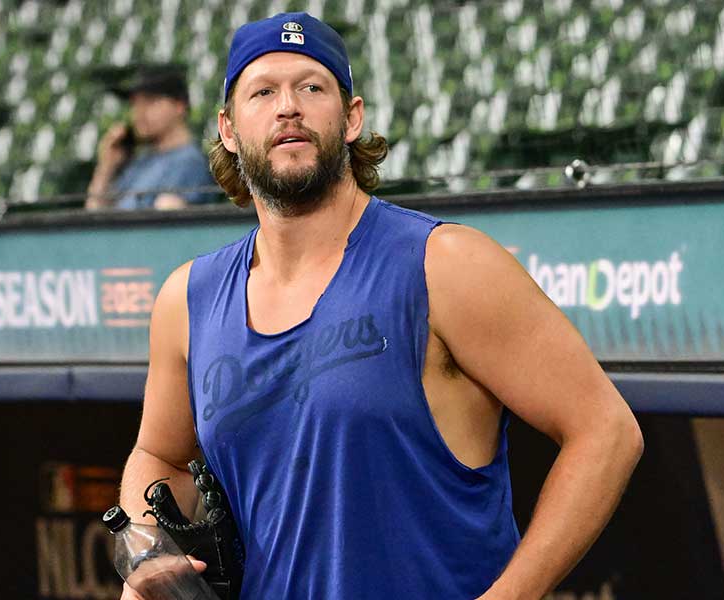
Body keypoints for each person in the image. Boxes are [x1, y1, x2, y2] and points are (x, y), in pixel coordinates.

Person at [118, 12, 643, 600]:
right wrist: (144, 546)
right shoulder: (187, 299)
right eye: (262, 91)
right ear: (229, 129)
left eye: (311, 87)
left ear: (351, 118)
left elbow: (606, 431)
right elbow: (158, 454)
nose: (287, 106)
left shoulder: (445, 265)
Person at [86, 66, 215, 210]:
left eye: (150, 101)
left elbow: (168, 218)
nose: (139, 112)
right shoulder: (140, 161)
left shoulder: (188, 161)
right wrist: (106, 168)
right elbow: (94, 216)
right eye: (134, 104)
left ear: (179, 106)